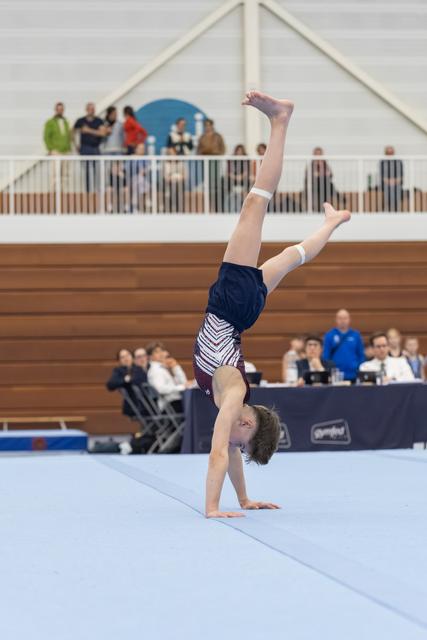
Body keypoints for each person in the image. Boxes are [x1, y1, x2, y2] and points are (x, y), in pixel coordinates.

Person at [193, 90, 351, 518]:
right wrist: (212, 508)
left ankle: (332, 223)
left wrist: (243, 500)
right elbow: (217, 456)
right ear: (248, 423)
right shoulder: (233, 398)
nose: (235, 448)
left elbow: (227, 451)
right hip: (231, 306)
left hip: (240, 313)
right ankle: (280, 121)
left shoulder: (238, 402)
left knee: (291, 257)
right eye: (244, 444)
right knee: (255, 203)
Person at [146, 341, 191, 412]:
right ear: (150, 357)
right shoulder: (155, 370)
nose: (160, 353)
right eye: (156, 352)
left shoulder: (163, 368)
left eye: (161, 351)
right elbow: (161, 389)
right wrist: (182, 387)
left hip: (176, 402)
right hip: (170, 406)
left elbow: (183, 382)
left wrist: (175, 366)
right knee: (197, 407)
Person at [322, 309, 365, 382]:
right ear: (336, 320)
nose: (343, 321)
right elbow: (325, 356)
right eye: (340, 318)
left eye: (345, 318)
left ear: (349, 319)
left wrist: (357, 367)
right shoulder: (329, 335)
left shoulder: (355, 335)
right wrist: (330, 370)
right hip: (336, 375)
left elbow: (361, 355)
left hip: (353, 374)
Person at [73, 102, 106, 192]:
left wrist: (88, 130)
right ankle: (88, 192)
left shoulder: (99, 121)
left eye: (93, 109)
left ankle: (97, 191)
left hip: (95, 148)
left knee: (97, 170)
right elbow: (73, 133)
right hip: (85, 148)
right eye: (90, 108)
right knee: (87, 170)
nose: (91, 110)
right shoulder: (80, 121)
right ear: (86, 109)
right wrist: (76, 145)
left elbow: (103, 133)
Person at [106, 348, 147, 417]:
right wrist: (125, 380)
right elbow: (110, 385)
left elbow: (140, 380)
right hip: (135, 405)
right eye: (122, 357)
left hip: (146, 402)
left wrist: (130, 380)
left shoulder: (138, 368)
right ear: (119, 361)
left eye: (127, 355)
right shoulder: (119, 371)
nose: (126, 358)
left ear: (132, 356)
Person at [197, 118, 226, 212]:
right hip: (205, 161)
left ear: (212, 126)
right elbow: (199, 150)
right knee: (208, 183)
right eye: (206, 125)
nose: (208, 127)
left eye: (209, 125)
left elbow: (222, 148)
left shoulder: (217, 136)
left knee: (216, 182)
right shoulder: (202, 137)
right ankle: (210, 206)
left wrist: (217, 154)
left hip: (215, 160)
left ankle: (218, 206)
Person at [225, 144, 251, 212]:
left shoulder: (246, 160)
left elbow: (246, 172)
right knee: (225, 181)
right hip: (232, 178)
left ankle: (246, 202)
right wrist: (235, 177)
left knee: (248, 181)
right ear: (235, 151)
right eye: (238, 151)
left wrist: (240, 177)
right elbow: (228, 172)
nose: (239, 152)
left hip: (243, 179)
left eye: (241, 151)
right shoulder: (231, 160)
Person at [380, 146, 403, 212]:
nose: (390, 155)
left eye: (391, 153)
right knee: (388, 188)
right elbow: (383, 177)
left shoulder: (398, 162)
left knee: (395, 188)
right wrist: (389, 181)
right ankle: (389, 208)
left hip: (397, 184)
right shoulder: (382, 162)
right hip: (386, 184)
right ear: (385, 153)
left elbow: (400, 177)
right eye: (388, 153)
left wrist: (394, 181)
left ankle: (395, 209)